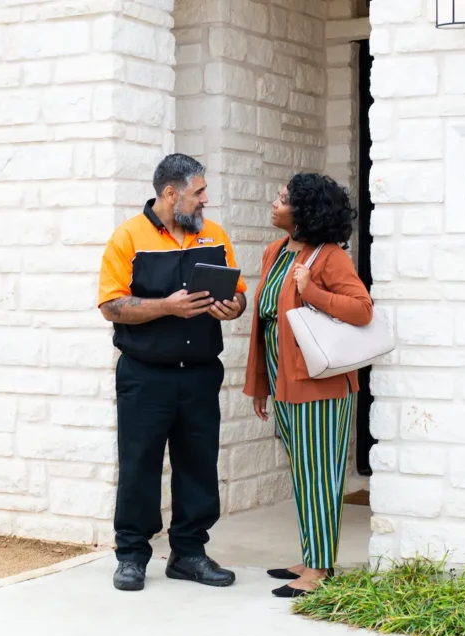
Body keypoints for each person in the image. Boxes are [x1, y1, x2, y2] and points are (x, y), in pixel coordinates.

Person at [97, 153, 247, 592]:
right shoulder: (128, 237)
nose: (205, 200)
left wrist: (230, 307)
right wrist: (168, 306)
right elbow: (110, 305)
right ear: (170, 193)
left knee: (199, 465)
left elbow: (238, 296)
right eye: (198, 192)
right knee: (139, 464)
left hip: (201, 373)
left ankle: (189, 554)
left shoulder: (214, 236)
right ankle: (131, 555)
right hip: (145, 375)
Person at [243, 172, 373, 598]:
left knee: (321, 474)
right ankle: (310, 555)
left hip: (320, 386)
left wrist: (312, 291)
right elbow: (265, 322)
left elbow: (361, 310)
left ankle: (320, 570)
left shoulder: (329, 257)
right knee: (302, 472)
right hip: (284, 383)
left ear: (303, 212)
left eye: (282, 198)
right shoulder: (275, 252)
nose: (274, 203)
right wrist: (260, 384)